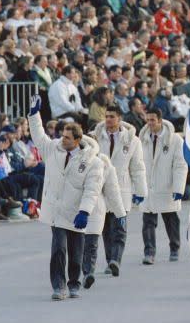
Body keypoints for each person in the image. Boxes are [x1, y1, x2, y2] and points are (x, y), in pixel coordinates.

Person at [27, 94, 104, 300]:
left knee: (76, 252)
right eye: (62, 135)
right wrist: (34, 115)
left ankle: (74, 283)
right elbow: (39, 136)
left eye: (68, 137)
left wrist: (85, 211)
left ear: (78, 140)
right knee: (58, 249)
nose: (63, 139)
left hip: (77, 212)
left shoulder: (93, 162)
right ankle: (58, 286)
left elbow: (92, 189)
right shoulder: (53, 149)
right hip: (56, 210)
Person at [91, 105, 147, 277]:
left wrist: (140, 191)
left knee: (120, 227)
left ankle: (116, 259)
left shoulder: (132, 140)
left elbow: (137, 167)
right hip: (101, 188)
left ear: (119, 118)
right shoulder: (95, 138)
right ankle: (110, 261)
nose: (108, 119)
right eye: (106, 116)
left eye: (112, 116)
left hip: (122, 188)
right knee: (106, 228)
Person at [138, 108, 187, 264]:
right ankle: (149, 253)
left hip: (167, 186)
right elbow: (136, 166)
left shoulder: (175, 140)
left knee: (171, 219)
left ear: (160, 120)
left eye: (153, 120)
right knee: (148, 222)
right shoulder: (142, 139)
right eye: (147, 120)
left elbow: (180, 165)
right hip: (148, 187)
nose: (150, 123)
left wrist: (179, 188)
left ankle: (174, 248)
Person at [81, 134, 126, 290]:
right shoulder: (72, 160)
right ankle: (83, 271)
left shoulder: (104, 163)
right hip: (73, 207)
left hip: (96, 207)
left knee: (91, 242)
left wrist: (120, 213)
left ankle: (88, 273)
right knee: (81, 244)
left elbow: (112, 190)